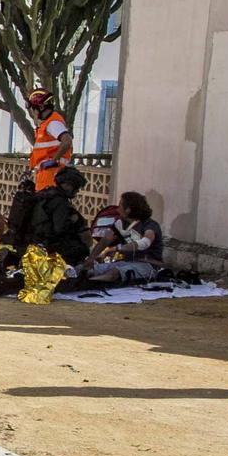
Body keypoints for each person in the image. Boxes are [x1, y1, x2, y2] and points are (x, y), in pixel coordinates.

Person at [17, 164, 91, 303]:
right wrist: (74, 222)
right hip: (47, 245)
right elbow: (59, 229)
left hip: (31, 241)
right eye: (75, 187)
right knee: (81, 249)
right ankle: (65, 274)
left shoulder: (45, 193)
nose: (76, 191)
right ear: (68, 185)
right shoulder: (60, 202)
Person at [83, 191, 164, 285]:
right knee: (92, 270)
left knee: (115, 272)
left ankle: (88, 284)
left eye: (120, 206)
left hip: (148, 265)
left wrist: (118, 248)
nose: (117, 209)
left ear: (128, 210)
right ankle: (79, 280)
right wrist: (91, 258)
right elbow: (105, 241)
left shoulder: (149, 225)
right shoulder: (120, 223)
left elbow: (145, 242)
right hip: (127, 262)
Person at [25, 86, 74, 192]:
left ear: (41, 107)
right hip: (47, 178)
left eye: (33, 109)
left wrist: (53, 160)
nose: (33, 113)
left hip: (51, 178)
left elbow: (67, 141)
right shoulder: (47, 124)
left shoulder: (52, 123)